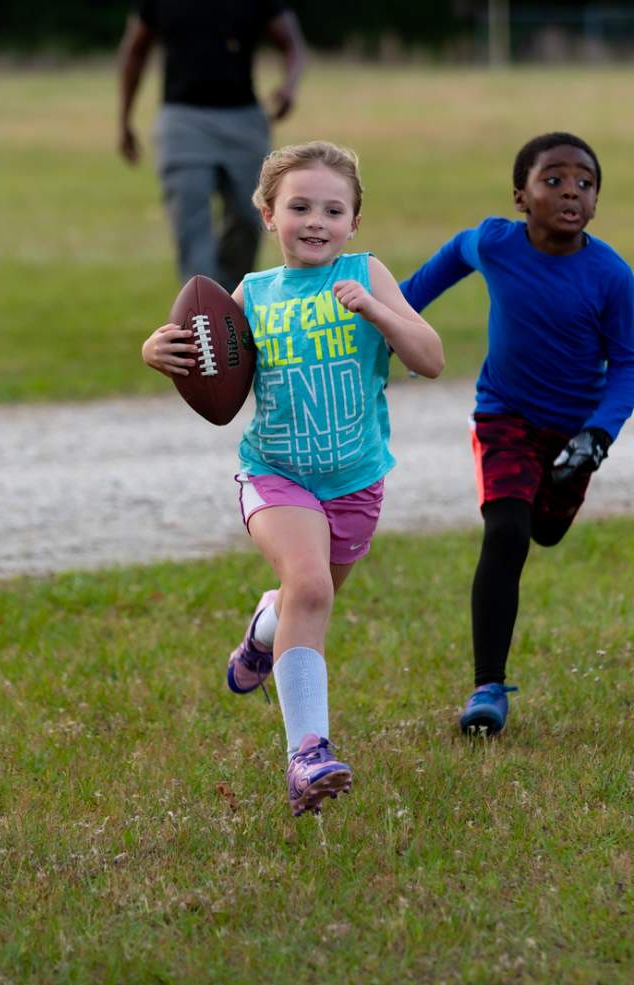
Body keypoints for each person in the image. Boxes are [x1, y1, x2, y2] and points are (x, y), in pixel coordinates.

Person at [142, 141, 444, 814]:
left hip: (357, 483)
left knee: (305, 599)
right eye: (299, 206)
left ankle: (261, 632)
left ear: (354, 223)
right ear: (268, 214)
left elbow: (430, 357)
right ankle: (307, 754)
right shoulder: (251, 294)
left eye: (333, 209)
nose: (316, 220)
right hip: (275, 474)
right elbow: (205, 359)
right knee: (309, 586)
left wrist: (377, 310)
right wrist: (155, 348)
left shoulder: (367, 275)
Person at [401, 132, 634, 736]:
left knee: (546, 529)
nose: (570, 192)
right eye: (553, 180)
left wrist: (597, 438)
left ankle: (558, 490)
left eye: (585, 183)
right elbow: (449, 258)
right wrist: (396, 315)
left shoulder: (611, 276)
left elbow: (629, 364)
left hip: (577, 433)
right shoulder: (494, 243)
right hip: (504, 415)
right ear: (520, 197)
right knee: (507, 532)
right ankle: (488, 689)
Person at [117, 1, 305, 292]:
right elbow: (135, 50)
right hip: (182, 122)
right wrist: (124, 120)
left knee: (249, 214)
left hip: (244, 120)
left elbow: (292, 44)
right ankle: (201, 311)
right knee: (190, 223)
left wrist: (289, 86)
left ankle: (231, 304)